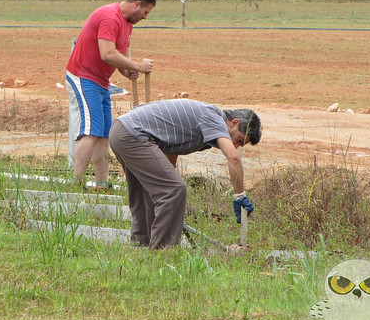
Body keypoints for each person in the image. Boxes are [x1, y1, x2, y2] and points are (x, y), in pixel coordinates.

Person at [109, 99, 262, 249]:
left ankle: (141, 245)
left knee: (146, 192)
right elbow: (234, 157)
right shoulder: (215, 119)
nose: (235, 145)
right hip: (133, 134)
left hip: (122, 131)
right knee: (174, 190)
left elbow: (170, 150)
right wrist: (239, 196)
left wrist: (170, 212)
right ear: (234, 122)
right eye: (239, 140)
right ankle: (162, 251)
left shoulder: (207, 118)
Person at [66, 0, 156, 187]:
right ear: (137, 4)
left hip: (101, 81)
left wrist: (127, 70)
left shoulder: (128, 23)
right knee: (91, 131)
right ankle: (75, 181)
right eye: (146, 12)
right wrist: (138, 66)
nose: (145, 17)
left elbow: (121, 53)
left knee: (104, 134)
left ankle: (102, 182)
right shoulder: (110, 17)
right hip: (83, 77)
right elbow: (107, 54)